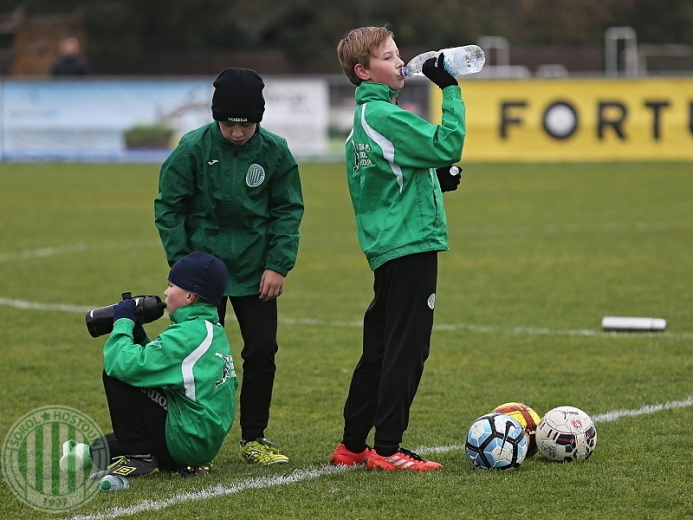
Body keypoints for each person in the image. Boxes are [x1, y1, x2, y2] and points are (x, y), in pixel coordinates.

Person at [330, 26, 466, 471]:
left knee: (381, 349)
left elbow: (383, 187)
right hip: (411, 246)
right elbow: (449, 144)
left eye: (397, 54)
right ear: (363, 71)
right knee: (407, 349)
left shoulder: (362, 122)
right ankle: (388, 450)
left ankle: (352, 446)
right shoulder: (387, 116)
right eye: (389, 57)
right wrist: (450, 88)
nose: (400, 62)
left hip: (389, 247)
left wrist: (435, 179)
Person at [154, 67, 304, 465]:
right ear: (216, 117)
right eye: (228, 124)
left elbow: (288, 210)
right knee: (194, 356)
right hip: (203, 278)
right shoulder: (192, 148)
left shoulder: (275, 151)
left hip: (257, 271)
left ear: (259, 118)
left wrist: (278, 264)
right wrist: (184, 267)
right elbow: (169, 207)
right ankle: (189, 440)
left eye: (246, 124)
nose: (237, 132)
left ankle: (255, 438)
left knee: (261, 350)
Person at [90, 251, 237, 479]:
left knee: (116, 374)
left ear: (190, 295)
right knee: (101, 447)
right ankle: (141, 449)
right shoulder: (208, 328)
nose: (166, 292)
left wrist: (122, 323)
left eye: (171, 286)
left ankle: (141, 458)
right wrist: (138, 336)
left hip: (186, 441)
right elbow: (162, 369)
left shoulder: (187, 335)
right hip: (200, 437)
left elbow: (123, 365)